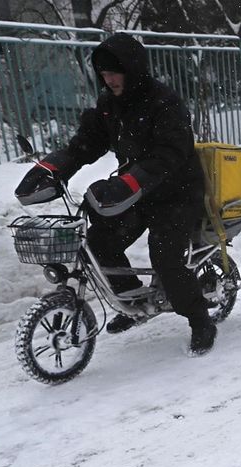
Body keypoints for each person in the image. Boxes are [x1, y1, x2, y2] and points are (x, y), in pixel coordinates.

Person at [15, 33, 216, 356]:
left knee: (165, 258)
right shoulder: (109, 104)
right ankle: (134, 303)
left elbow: (170, 153)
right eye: (104, 74)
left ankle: (200, 319)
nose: (108, 80)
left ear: (133, 69)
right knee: (100, 242)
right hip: (136, 191)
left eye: (114, 73)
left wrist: (130, 181)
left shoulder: (164, 102)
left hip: (176, 193)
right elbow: (86, 143)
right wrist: (55, 168)